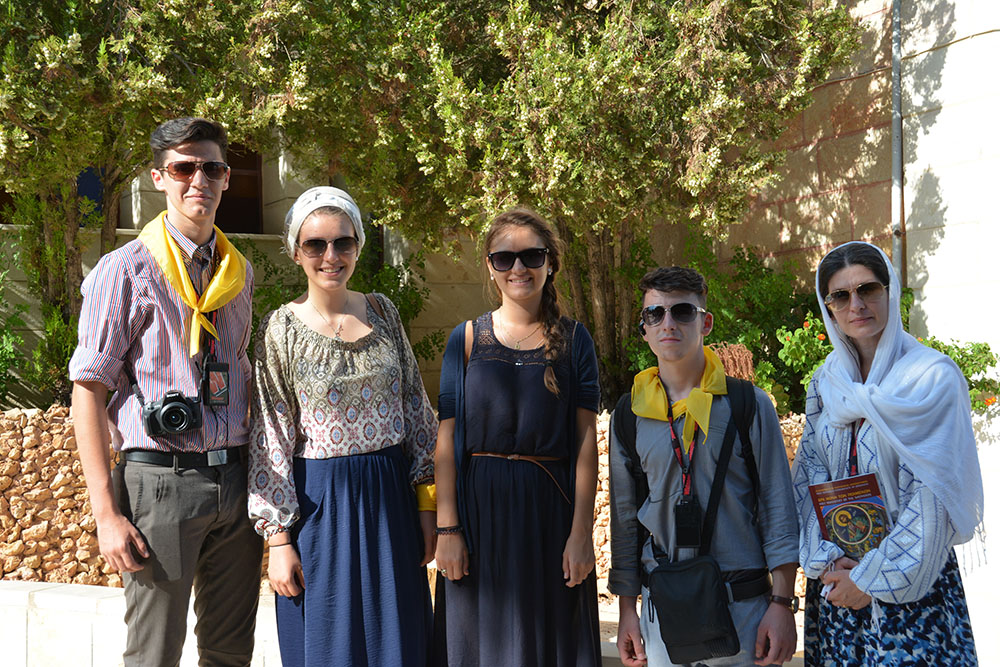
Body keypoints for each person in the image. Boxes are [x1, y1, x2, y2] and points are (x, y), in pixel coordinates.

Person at [70, 117, 262, 666]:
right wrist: (106, 514)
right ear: (159, 178)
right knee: (154, 653)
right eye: (183, 168)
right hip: (160, 483)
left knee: (229, 653)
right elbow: (88, 390)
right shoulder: (125, 271)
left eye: (212, 168)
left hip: (235, 479)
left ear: (226, 179)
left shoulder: (238, 273)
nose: (199, 179)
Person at [248, 186, 438, 667]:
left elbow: (416, 410)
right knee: (331, 643)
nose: (330, 256)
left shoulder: (384, 312)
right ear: (296, 251)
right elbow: (270, 435)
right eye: (315, 244)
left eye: (343, 242)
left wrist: (427, 505)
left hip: (390, 503)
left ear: (358, 247)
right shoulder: (280, 329)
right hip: (320, 508)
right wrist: (278, 540)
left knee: (397, 638)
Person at [792, 241, 982, 665]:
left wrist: (871, 578)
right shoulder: (826, 383)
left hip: (911, 589)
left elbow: (934, 493)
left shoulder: (931, 377)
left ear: (889, 292)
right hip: (839, 586)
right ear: (829, 308)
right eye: (840, 296)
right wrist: (826, 562)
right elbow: (809, 474)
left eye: (868, 289)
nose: (856, 305)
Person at [432, 207, 602, 667]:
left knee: (546, 642)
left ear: (551, 262)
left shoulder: (575, 341)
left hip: (549, 515)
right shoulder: (466, 338)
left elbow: (586, 443)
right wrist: (448, 530)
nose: (518, 268)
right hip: (477, 516)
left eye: (531, 256)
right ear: (490, 266)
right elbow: (446, 440)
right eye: (504, 258)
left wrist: (581, 534)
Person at [609, 266, 800, 667]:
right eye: (655, 314)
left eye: (682, 311)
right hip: (664, 614)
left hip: (743, 611)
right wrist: (627, 610)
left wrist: (782, 604)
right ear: (644, 329)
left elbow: (778, 507)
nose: (668, 323)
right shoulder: (630, 414)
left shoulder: (747, 404)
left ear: (706, 322)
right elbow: (625, 521)